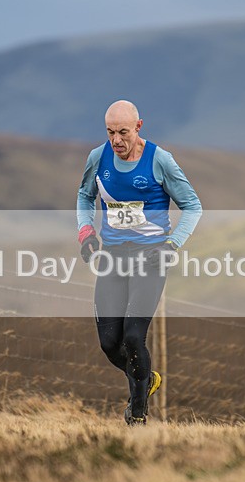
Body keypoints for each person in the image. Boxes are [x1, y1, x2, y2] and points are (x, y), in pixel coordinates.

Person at [76, 100, 202, 425]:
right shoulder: (98, 157)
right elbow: (85, 196)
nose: (116, 140)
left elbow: (193, 206)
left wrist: (172, 244)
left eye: (123, 132)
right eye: (110, 132)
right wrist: (86, 231)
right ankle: (148, 379)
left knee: (133, 338)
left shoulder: (160, 160)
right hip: (113, 257)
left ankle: (137, 414)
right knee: (109, 343)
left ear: (138, 127)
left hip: (151, 258)